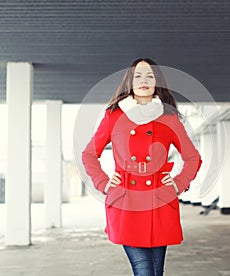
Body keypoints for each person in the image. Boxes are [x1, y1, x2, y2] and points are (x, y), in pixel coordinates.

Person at [82, 58, 202, 276]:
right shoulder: (114, 115)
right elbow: (89, 154)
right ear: (129, 81)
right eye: (138, 76)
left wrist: (178, 183)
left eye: (150, 76)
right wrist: (104, 182)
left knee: (156, 272)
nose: (143, 81)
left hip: (159, 202)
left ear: (158, 82)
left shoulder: (169, 117)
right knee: (144, 271)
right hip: (127, 203)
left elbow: (193, 157)